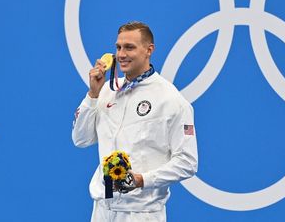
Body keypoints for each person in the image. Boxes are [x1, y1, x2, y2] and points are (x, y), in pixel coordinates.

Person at [72, 21, 198, 222]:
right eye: (118, 47)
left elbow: (188, 162)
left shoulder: (171, 100)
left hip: (141, 214)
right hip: (102, 209)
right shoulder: (106, 90)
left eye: (129, 47)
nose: (121, 54)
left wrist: (142, 180)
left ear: (149, 50)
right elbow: (80, 139)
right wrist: (92, 95)